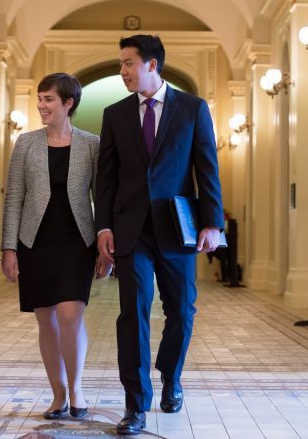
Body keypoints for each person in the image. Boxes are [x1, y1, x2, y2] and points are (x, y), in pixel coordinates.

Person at [95, 35, 224, 435]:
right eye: (120, 64)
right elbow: (107, 178)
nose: (122, 71)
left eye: (128, 64)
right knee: (132, 315)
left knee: (182, 312)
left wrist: (212, 223)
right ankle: (135, 404)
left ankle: (171, 378)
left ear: (151, 64)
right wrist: (104, 225)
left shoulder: (192, 108)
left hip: (177, 228)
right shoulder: (114, 114)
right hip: (130, 231)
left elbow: (207, 169)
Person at [1, 73, 102, 420]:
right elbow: (14, 197)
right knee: (47, 321)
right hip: (35, 241)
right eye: (40, 99)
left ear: (68, 103)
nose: (41, 105)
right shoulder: (25, 143)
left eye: (49, 100)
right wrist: (9, 248)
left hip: (77, 241)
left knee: (71, 316)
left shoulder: (91, 144)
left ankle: (76, 388)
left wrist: (105, 244)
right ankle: (57, 394)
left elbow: (100, 198)